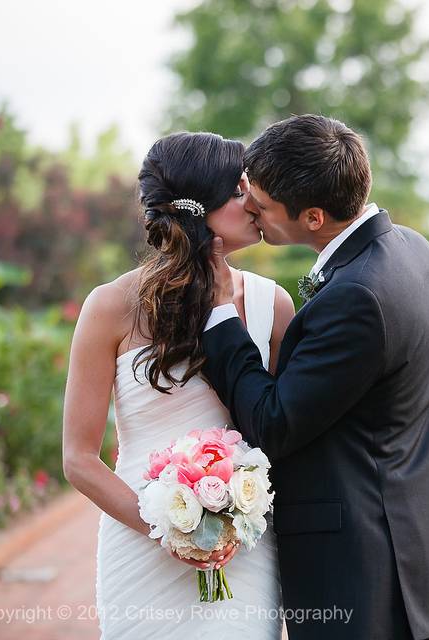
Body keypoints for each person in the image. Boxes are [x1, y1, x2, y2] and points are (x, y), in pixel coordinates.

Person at [201, 114, 429, 640]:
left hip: (367, 585)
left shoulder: (356, 296)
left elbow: (273, 423)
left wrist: (222, 317)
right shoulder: (414, 250)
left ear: (312, 216)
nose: (250, 207)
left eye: (260, 201)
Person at [62, 132, 294, 639]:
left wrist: (226, 525)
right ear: (199, 206)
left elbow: (282, 430)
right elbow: (78, 458)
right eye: (239, 190)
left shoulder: (271, 305)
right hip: (140, 546)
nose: (253, 200)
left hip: (243, 549)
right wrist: (170, 531)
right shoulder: (108, 307)